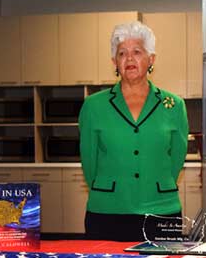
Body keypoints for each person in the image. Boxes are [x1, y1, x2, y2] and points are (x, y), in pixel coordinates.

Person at [79, 20, 188, 242]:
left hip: (161, 211)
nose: (129, 59)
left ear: (151, 59)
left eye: (137, 51)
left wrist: (155, 184)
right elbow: (89, 162)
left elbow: (177, 158)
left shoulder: (174, 105)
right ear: (114, 62)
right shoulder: (93, 106)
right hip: (107, 212)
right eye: (122, 53)